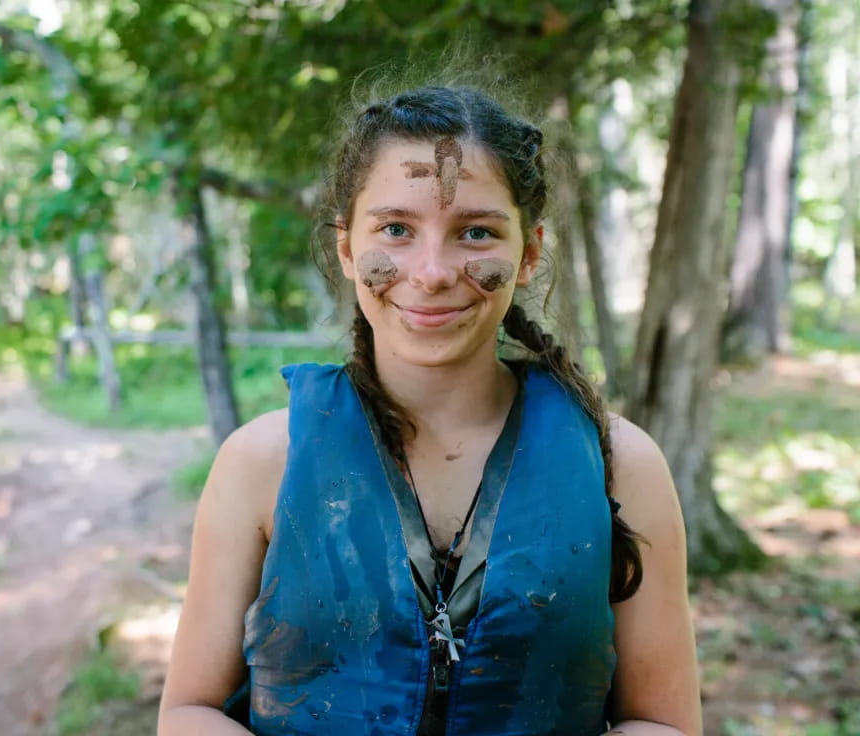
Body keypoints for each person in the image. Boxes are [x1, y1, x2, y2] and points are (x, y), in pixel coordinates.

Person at [157, 84, 701, 736]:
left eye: (476, 232)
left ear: (528, 252)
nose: (434, 271)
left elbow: (663, 722)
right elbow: (187, 712)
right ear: (347, 247)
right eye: (396, 229)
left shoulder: (619, 464)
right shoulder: (264, 461)